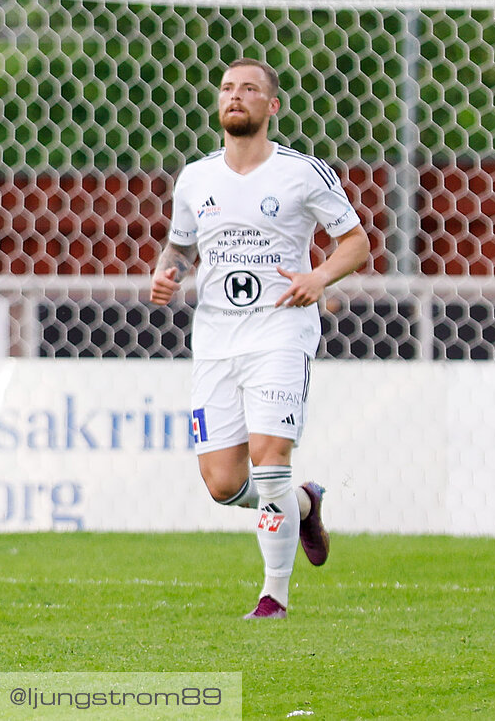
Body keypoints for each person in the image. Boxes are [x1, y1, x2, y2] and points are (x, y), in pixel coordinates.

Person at [150, 57, 370, 619]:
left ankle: (274, 596)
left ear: (272, 106)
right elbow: (179, 246)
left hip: (281, 329)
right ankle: (301, 504)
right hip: (216, 338)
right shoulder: (196, 178)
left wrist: (319, 277)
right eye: (227, 88)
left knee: (269, 456)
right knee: (223, 483)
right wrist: (166, 270)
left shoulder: (301, 172)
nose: (235, 96)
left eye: (250, 89)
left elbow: (356, 243)